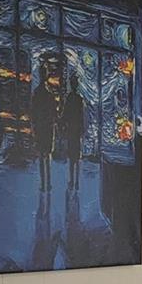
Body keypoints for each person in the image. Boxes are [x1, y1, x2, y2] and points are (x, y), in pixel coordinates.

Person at [29, 53, 63, 193]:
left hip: (40, 127)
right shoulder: (48, 93)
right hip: (47, 127)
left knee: (42, 154)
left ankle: (44, 183)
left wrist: (34, 127)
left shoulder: (37, 92)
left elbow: (33, 112)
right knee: (46, 155)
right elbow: (53, 112)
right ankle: (46, 182)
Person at [59, 59, 88, 193]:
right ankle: (76, 181)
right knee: (76, 155)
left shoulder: (69, 98)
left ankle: (71, 181)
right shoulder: (79, 99)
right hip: (77, 130)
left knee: (71, 157)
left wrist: (62, 124)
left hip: (71, 129)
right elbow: (82, 115)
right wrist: (83, 129)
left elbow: (65, 114)